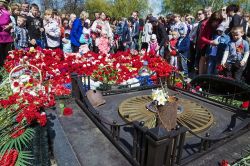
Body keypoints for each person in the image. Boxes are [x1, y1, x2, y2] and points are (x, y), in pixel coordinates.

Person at [0, 0, 13, 67]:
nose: (2, 3)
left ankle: (6, 70)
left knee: (7, 56)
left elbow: (11, 22)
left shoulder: (6, 12)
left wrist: (10, 25)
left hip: (7, 37)